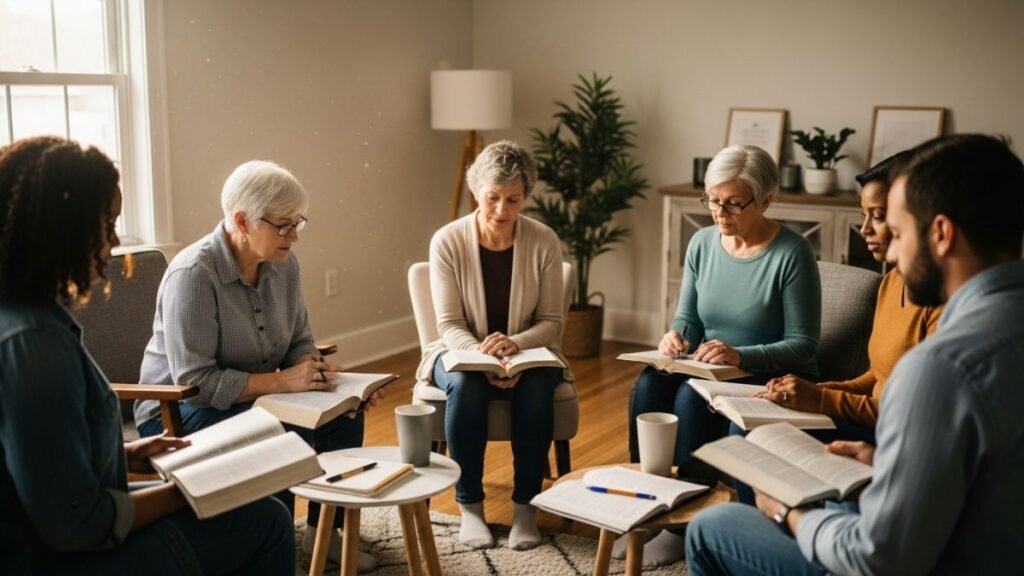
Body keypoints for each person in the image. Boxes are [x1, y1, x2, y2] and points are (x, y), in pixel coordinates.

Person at [686, 133, 1024, 576]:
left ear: (941, 234)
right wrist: (887, 464)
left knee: (714, 524)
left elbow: (880, 559)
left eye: (898, 231)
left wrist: (788, 515)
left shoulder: (943, 368)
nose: (892, 250)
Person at [0, 136, 293, 574]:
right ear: (61, 230)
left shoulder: (23, 317)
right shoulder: (32, 346)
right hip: (54, 558)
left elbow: (44, 457)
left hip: (59, 530)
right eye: (107, 224)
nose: (116, 240)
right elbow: (76, 524)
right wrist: (188, 489)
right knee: (266, 520)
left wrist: (123, 453)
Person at [134, 160, 378, 569]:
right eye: (283, 225)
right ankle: (274, 550)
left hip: (260, 396)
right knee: (275, 433)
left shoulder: (284, 265)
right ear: (242, 220)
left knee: (344, 414)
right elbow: (196, 382)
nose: (295, 235)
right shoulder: (194, 275)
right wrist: (284, 383)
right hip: (178, 409)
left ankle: (324, 533)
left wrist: (317, 374)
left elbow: (299, 339)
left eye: (298, 222)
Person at [625, 145, 821, 566]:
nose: (720, 212)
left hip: (767, 374)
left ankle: (684, 522)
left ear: (765, 200)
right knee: (647, 385)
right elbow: (689, 319)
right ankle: (648, 506)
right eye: (713, 200)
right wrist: (676, 338)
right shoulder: (701, 243)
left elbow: (803, 344)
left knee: (689, 400)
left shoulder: (791, 253)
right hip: (711, 366)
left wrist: (740, 355)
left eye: (733, 203)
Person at [729, 151, 944, 505]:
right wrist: (814, 389)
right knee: (749, 421)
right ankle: (760, 525)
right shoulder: (891, 282)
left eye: (878, 216)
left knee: (751, 431)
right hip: (872, 417)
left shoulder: (941, 304)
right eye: (864, 216)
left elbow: (908, 412)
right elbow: (878, 375)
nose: (865, 230)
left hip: (893, 435)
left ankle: (774, 532)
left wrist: (823, 399)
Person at [417, 140, 569, 551]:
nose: (502, 211)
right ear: (475, 191)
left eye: (514, 199)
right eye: (492, 198)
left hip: (529, 351)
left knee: (537, 387)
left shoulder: (544, 240)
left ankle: (525, 508)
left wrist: (513, 347)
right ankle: (470, 507)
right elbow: (448, 324)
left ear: (527, 195)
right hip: (459, 351)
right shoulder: (446, 241)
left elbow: (551, 323)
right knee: (467, 386)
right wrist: (483, 357)